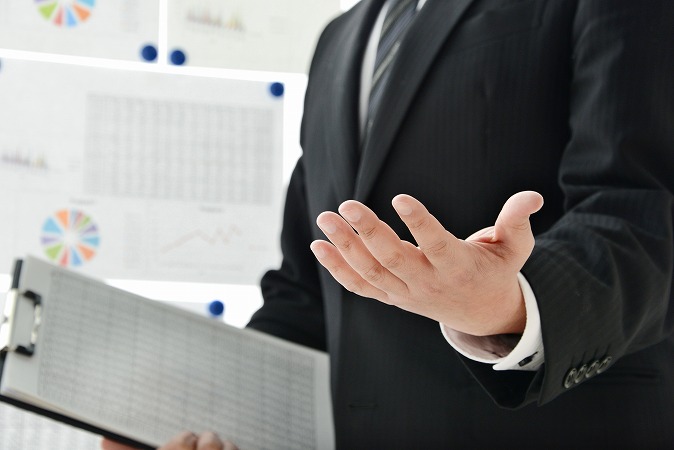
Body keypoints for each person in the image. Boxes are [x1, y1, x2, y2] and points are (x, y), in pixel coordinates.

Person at [105, 0, 674, 448]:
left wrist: (507, 308)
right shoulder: (339, 38)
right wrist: (198, 416)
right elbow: (307, 292)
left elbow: (643, 215)